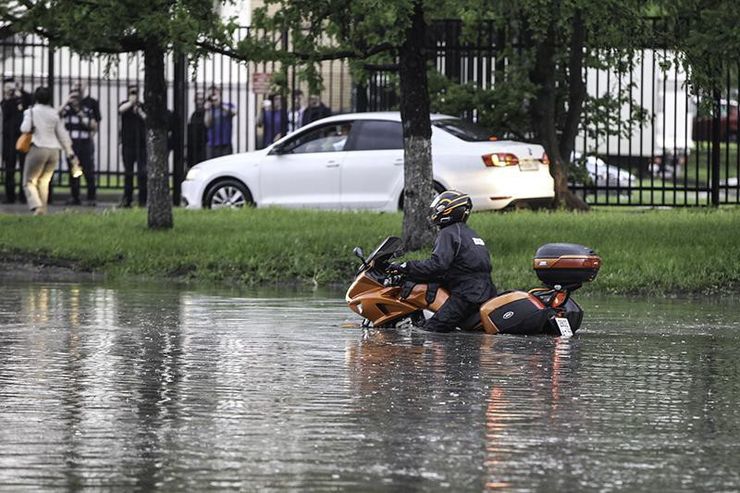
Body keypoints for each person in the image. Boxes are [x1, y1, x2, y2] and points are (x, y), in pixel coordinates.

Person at [390, 190, 497, 333]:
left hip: (467, 295)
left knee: (432, 330)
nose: (435, 210)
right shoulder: (470, 233)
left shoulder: (449, 233)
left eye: (438, 208)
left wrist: (406, 266)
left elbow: (437, 265)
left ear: (447, 210)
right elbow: (458, 268)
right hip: (486, 291)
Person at [20, 86, 79, 215]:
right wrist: (70, 152)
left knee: (29, 181)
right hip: (53, 151)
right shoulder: (54, 113)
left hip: (38, 148)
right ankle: (43, 210)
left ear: (35, 98)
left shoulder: (30, 112)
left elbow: (24, 128)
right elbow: (62, 135)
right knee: (44, 182)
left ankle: (37, 207)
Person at [60, 89, 98, 205]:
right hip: (72, 145)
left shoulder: (87, 110)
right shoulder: (66, 110)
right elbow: (56, 114)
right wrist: (66, 102)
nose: (74, 100)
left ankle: (91, 198)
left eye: (76, 97)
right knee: (74, 171)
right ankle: (75, 197)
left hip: (85, 143)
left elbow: (93, 126)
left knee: (88, 171)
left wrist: (81, 115)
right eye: (72, 97)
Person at [2, 78, 32, 204]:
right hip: (9, 139)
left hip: (23, 138)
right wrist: (8, 96)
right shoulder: (5, 102)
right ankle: (10, 196)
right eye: (7, 87)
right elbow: (6, 111)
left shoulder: (22, 100)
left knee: (25, 167)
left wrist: (20, 90)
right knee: (9, 168)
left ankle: (24, 195)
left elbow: (30, 100)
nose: (10, 89)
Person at [118, 84, 147, 207]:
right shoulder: (125, 104)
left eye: (135, 92)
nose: (134, 95)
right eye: (132, 92)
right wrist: (131, 103)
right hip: (127, 144)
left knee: (142, 173)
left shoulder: (143, 106)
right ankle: (127, 199)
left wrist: (139, 111)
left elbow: (147, 119)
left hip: (141, 145)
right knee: (128, 173)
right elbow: (120, 110)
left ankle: (142, 200)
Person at [204, 85, 236, 159]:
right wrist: (207, 110)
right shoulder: (209, 108)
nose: (213, 96)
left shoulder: (228, 105)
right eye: (211, 95)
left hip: (225, 144)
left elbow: (234, 112)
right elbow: (207, 124)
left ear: (219, 94)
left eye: (214, 94)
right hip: (212, 144)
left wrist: (220, 105)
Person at [187, 91, 207, 168]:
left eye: (201, 99)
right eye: (198, 99)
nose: (199, 102)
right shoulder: (194, 114)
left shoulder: (207, 112)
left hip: (204, 145)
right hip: (193, 146)